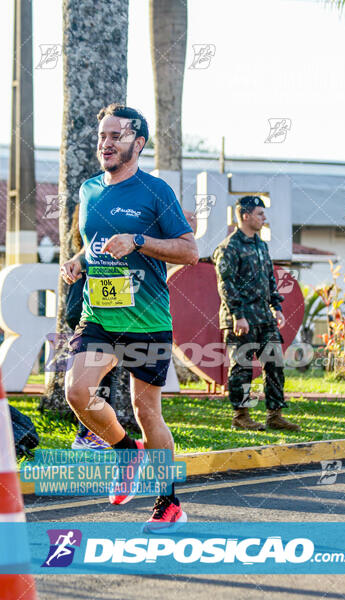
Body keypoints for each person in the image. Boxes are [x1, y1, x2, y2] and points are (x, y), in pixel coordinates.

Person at [61, 103, 198, 529]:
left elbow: (189, 251)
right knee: (77, 392)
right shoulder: (88, 190)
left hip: (146, 318)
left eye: (116, 136)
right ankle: (126, 453)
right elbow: (96, 242)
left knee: (146, 411)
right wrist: (78, 260)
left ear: (138, 143)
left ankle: (169, 501)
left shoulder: (155, 191)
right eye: (102, 135)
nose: (106, 143)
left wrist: (139, 240)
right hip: (99, 314)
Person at [213, 196, 300, 432]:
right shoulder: (229, 248)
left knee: (275, 364)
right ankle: (241, 416)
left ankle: (275, 414)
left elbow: (269, 280)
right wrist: (238, 315)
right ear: (245, 216)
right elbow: (226, 285)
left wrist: (277, 307)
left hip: (264, 317)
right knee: (241, 367)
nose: (264, 218)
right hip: (240, 319)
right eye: (260, 214)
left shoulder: (261, 245)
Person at [66, 205, 140, 450]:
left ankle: (94, 435)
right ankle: (88, 435)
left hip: (107, 314)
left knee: (100, 383)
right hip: (93, 317)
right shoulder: (94, 233)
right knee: (92, 384)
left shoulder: (101, 231)